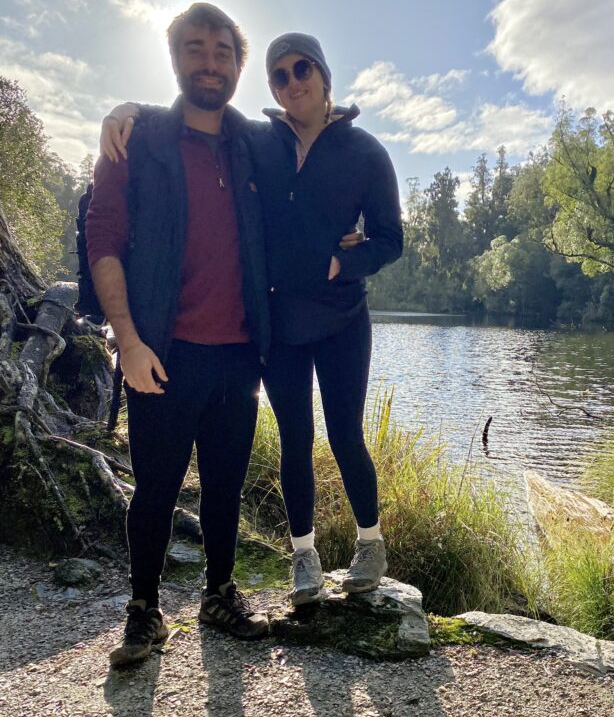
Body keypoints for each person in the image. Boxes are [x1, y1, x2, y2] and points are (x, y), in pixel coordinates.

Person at [102, 32, 403, 608]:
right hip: (279, 326)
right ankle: (305, 556)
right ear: (270, 86)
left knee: (345, 435)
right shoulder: (258, 140)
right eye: (280, 75)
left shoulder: (366, 152)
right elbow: (195, 107)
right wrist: (128, 111)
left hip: (343, 320)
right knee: (294, 439)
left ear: (323, 73)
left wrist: (349, 260)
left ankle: (370, 544)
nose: (293, 82)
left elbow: (392, 238)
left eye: (302, 69)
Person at [88, 2, 272, 668]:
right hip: (159, 355)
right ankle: (143, 611)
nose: (209, 62)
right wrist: (128, 341)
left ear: (236, 65)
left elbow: (309, 153)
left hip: (237, 356)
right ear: (175, 59)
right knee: (157, 489)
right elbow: (102, 240)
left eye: (222, 51)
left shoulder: (252, 144)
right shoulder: (136, 143)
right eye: (195, 49)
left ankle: (219, 595)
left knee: (225, 486)